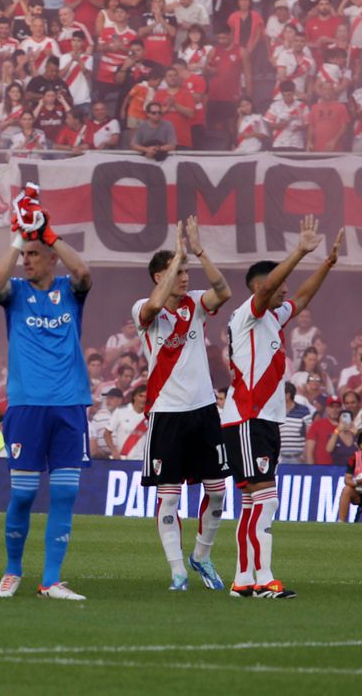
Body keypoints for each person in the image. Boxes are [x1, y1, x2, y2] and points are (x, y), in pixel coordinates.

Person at [222, 216, 343, 598]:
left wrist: (325, 264)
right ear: (260, 288)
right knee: (266, 497)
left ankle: (244, 579)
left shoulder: (273, 317)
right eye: (278, 284)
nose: (286, 290)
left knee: (253, 500)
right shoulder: (247, 314)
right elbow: (276, 285)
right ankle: (263, 578)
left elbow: (303, 297)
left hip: (264, 419)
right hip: (247, 417)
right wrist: (299, 252)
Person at [0, 183, 92, 601]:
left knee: (65, 493)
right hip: (27, 406)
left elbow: (85, 273)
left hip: (69, 404)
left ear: (50, 257)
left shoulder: (70, 289)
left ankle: (51, 580)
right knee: (25, 493)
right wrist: (18, 237)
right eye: (23, 255)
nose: (26, 261)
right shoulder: (15, 293)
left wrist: (50, 236)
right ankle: (12, 570)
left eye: (34, 254)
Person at [131, 217, 232, 591]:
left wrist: (200, 251)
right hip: (166, 415)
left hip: (204, 411)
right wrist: (176, 257)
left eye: (187, 270)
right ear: (160, 276)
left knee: (218, 492)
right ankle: (177, 571)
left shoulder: (196, 305)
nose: (186, 277)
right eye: (179, 270)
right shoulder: (144, 307)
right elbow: (154, 307)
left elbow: (223, 292)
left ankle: (201, 556)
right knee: (170, 498)